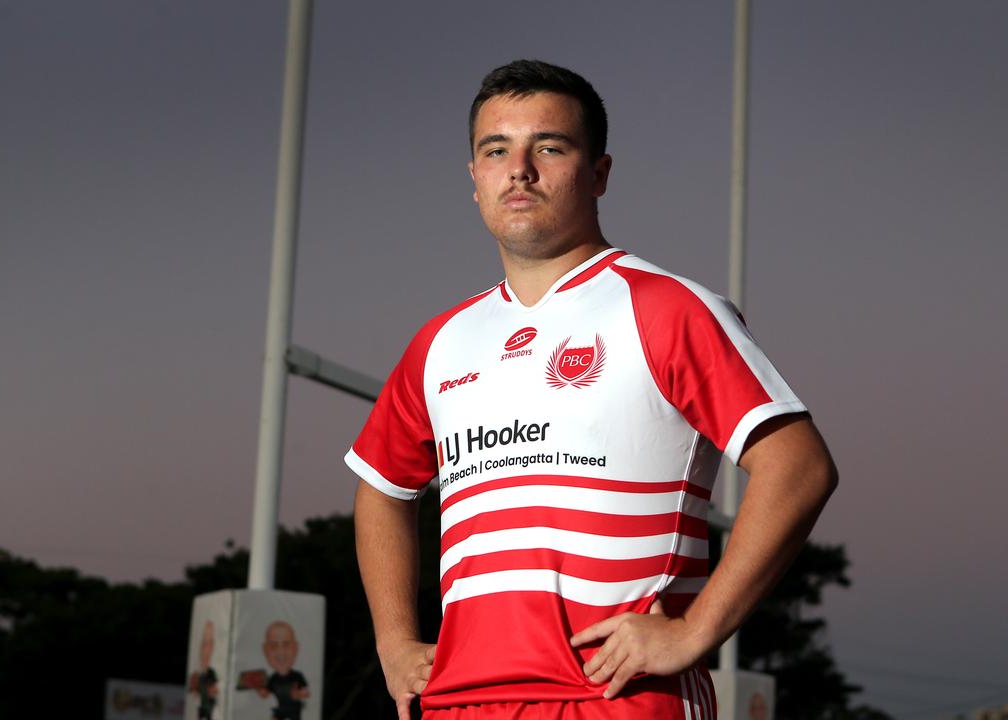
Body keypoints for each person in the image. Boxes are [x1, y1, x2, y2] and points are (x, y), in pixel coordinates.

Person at [350, 59, 837, 720]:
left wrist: (695, 634)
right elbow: (382, 488)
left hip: (618, 699)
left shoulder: (667, 309)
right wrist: (393, 641)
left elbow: (799, 467)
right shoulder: (439, 342)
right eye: (497, 150)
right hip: (457, 706)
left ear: (600, 173)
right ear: (474, 178)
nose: (519, 169)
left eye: (549, 147)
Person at [255, 620, 310, 720]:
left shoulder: (297, 676)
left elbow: (306, 692)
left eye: (286, 645)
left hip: (294, 711)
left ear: (296, 648)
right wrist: (258, 688)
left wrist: (298, 694)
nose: (280, 652)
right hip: (280, 710)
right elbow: (265, 694)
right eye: (273, 646)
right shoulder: (273, 678)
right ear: (265, 650)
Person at [190, 620, 219, 720]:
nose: (205, 651)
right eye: (204, 645)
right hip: (203, 708)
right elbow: (194, 693)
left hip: (208, 708)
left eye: (208, 645)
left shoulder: (211, 673)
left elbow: (214, 691)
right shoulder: (199, 675)